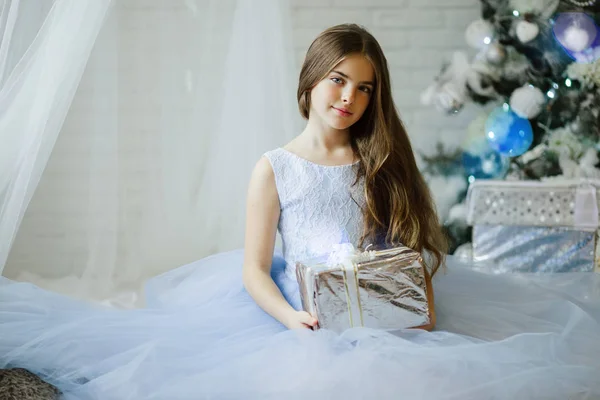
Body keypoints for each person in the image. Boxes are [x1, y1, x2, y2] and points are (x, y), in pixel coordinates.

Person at [0, 24, 599, 400]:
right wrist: (290, 319)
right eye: (339, 80)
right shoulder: (275, 167)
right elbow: (255, 269)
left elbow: (408, 247)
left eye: (365, 88)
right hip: (303, 301)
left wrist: (410, 293)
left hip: (380, 293)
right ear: (311, 80)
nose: (349, 98)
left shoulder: (381, 159)